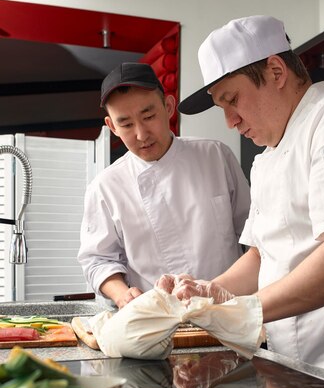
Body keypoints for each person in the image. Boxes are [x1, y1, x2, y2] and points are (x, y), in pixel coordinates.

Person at [157, 15, 324, 388]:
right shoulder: (266, 157)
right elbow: (263, 255)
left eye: (232, 100)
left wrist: (243, 311)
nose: (230, 121)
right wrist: (210, 291)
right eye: (221, 108)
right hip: (295, 372)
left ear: (276, 70)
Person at [77, 62, 250, 309]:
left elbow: (253, 235)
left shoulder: (215, 156)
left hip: (225, 309)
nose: (141, 134)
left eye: (148, 117)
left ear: (168, 107)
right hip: (156, 321)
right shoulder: (105, 187)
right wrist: (123, 296)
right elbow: (97, 260)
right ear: (112, 126)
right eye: (126, 124)